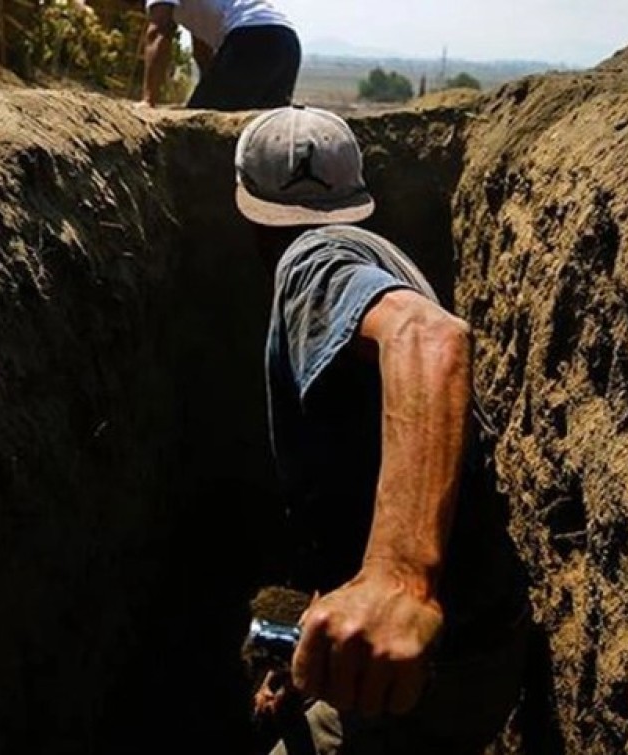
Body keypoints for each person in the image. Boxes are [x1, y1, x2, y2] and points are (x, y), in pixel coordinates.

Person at [234, 105, 533, 754]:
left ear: (249, 211)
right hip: (482, 641)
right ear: (357, 196)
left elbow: (429, 337)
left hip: (422, 669)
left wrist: (397, 577)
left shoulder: (311, 261)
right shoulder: (379, 256)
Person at [139, 0, 301, 110]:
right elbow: (202, 49)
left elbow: (159, 32)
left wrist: (148, 101)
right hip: (286, 41)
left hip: (251, 39)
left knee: (195, 131)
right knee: (264, 131)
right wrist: (209, 89)